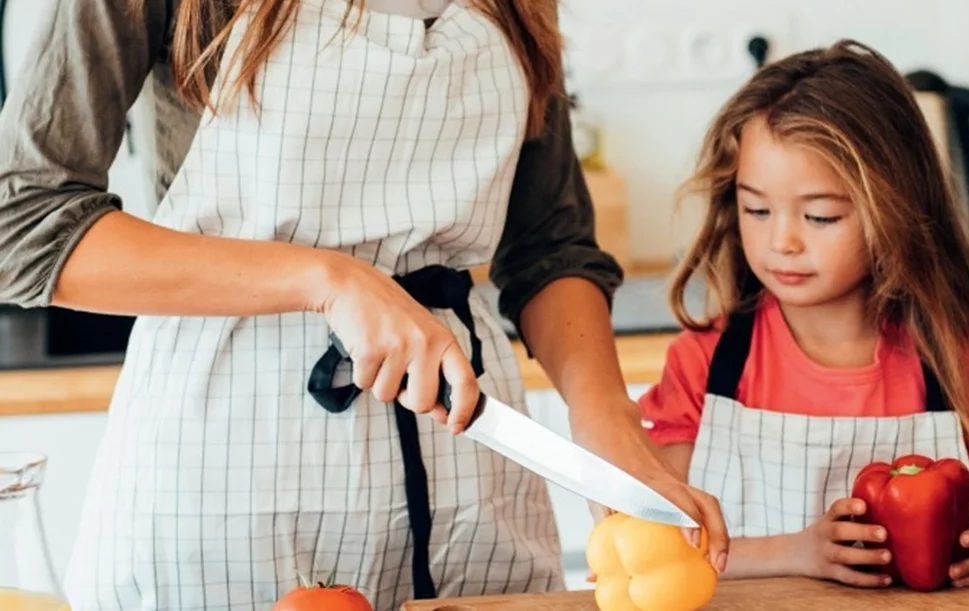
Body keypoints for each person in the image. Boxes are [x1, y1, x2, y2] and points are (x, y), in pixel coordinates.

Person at [0, 0, 729, 609]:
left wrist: (606, 426)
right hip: (223, 465)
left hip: (470, 473)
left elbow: (550, 245)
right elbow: (22, 224)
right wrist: (328, 279)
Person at [634, 39, 969, 589]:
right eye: (757, 208)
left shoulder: (951, 363)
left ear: (894, 209)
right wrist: (797, 552)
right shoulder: (704, 366)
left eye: (821, 216)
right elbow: (661, 542)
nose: (783, 241)